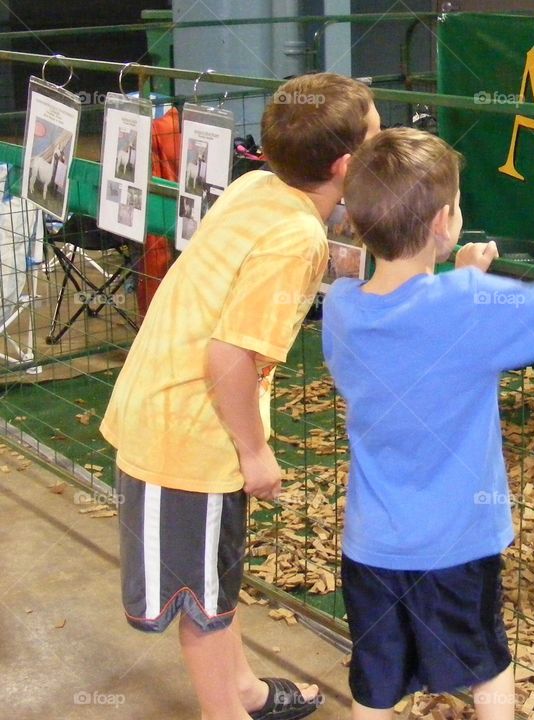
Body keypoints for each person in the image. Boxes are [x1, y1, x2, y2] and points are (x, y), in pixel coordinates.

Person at [100, 73, 380, 720]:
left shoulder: (261, 185)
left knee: (214, 583)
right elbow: (228, 355)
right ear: (345, 165)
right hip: (189, 438)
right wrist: (255, 454)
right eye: (375, 131)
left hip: (175, 414)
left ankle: (247, 692)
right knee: (200, 604)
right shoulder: (296, 236)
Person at [322, 127, 534, 720]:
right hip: (456, 544)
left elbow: (413, 322)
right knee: (485, 663)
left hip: (371, 545)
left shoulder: (340, 308)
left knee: (375, 680)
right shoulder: (465, 303)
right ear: (443, 221)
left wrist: (461, 279)